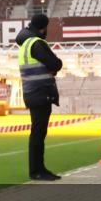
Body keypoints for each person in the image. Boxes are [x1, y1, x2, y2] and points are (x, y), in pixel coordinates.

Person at [16, 13, 64, 181]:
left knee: (38, 132)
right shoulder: (37, 44)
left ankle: (39, 169)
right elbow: (55, 63)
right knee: (38, 133)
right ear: (43, 28)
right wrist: (55, 66)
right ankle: (37, 171)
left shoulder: (25, 45)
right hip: (40, 92)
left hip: (31, 92)